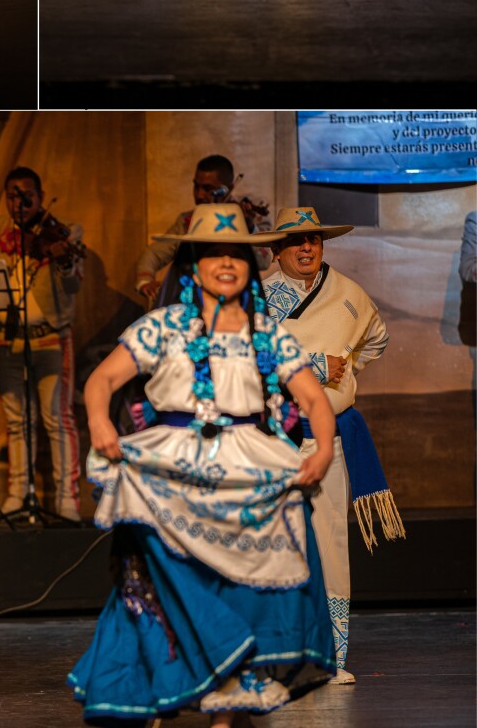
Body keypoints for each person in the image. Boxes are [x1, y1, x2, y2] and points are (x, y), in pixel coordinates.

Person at [69, 201, 337, 725]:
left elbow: (314, 398)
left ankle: (225, 709)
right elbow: (100, 380)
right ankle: (160, 692)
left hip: (249, 468)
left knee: (243, 591)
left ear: (248, 263)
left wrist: (323, 447)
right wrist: (100, 423)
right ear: (193, 263)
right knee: (165, 584)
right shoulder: (163, 326)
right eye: (213, 254)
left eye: (236, 254)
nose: (226, 264)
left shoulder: (268, 333)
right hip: (173, 469)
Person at [264, 206, 399, 683]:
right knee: (272, 543)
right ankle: (273, 654)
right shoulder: (257, 298)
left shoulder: (348, 294)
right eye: (297, 240)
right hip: (273, 439)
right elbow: (243, 356)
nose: (307, 248)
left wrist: (346, 373)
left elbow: (376, 339)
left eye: (314, 240)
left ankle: (331, 657)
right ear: (274, 249)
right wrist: (312, 365)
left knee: (331, 543)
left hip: (329, 437)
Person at [0, 167, 84, 521]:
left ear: (41, 196)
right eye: (12, 194)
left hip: (51, 338)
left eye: (27, 194)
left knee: (57, 419)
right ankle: (18, 493)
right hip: (6, 338)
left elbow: (74, 285)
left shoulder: (66, 230)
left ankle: (67, 500)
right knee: (17, 421)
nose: (20, 201)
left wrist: (62, 258)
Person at [135, 154, 272, 304]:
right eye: (196, 186)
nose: (199, 195)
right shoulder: (189, 220)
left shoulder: (248, 219)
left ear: (229, 188)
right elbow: (155, 253)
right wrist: (145, 280)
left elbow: (264, 261)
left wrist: (248, 227)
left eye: (208, 188)